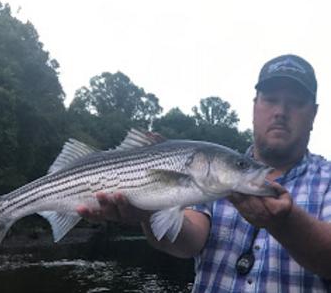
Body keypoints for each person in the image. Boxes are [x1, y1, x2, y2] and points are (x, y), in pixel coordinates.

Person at [77, 54, 331, 292]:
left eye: (296, 103)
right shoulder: (213, 173)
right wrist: (148, 212)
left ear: (314, 114)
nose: (280, 112)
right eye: (270, 99)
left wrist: (284, 224)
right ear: (255, 107)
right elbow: (189, 242)